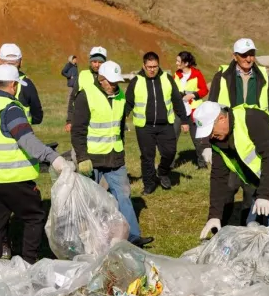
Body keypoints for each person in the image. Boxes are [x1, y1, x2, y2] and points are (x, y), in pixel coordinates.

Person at [0, 64, 70, 264]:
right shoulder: (11, 108)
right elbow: (27, 141)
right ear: (13, 85)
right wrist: (54, 158)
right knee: (34, 216)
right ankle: (29, 263)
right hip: (12, 177)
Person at [70, 61, 154, 248]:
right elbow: (77, 131)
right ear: (101, 79)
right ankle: (89, 239)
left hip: (114, 157)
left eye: (116, 82)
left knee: (124, 194)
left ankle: (132, 236)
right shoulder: (86, 96)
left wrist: (121, 149)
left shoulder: (121, 96)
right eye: (110, 82)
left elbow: (119, 127)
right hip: (92, 158)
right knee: (92, 200)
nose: (114, 85)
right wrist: (82, 157)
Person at [195, 101, 269, 236]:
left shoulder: (251, 118)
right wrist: (214, 215)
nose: (211, 136)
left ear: (222, 118)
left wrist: (264, 195)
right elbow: (218, 177)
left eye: (211, 130)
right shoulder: (217, 141)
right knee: (252, 226)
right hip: (267, 178)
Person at [208, 39, 269, 222]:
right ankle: (222, 225)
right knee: (228, 186)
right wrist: (206, 145)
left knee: (252, 187)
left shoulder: (263, 76)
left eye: (252, 54)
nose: (249, 59)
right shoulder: (222, 76)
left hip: (255, 140)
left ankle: (249, 229)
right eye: (244, 55)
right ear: (235, 56)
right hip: (230, 140)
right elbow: (211, 109)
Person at [126, 51, 190, 195]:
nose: (152, 69)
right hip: (144, 126)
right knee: (147, 157)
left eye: (155, 66)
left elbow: (177, 100)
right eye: (149, 67)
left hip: (165, 125)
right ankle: (149, 184)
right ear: (143, 66)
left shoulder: (167, 78)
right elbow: (128, 103)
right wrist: (121, 118)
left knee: (170, 152)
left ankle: (162, 172)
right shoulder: (136, 81)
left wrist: (184, 120)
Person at [174, 51, 210, 169]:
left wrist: (192, 95)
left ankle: (202, 164)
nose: (176, 63)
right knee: (172, 138)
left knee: (197, 139)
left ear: (186, 63)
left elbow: (204, 90)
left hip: (194, 111)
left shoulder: (197, 74)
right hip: (179, 112)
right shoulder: (176, 74)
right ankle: (169, 165)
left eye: (179, 61)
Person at [66, 46, 107, 132]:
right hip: (83, 121)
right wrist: (69, 120)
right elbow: (73, 98)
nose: (97, 65)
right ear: (90, 62)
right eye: (94, 61)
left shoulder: (110, 77)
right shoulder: (83, 75)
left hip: (103, 123)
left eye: (100, 62)